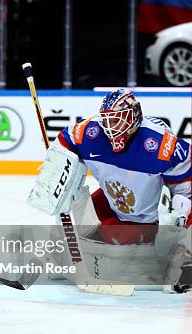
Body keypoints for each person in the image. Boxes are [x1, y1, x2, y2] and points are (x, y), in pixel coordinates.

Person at [28, 89, 191, 292]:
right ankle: (59, 256)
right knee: (72, 207)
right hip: (113, 199)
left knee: (109, 240)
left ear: (133, 118)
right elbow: (65, 139)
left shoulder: (159, 145)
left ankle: (183, 265)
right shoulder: (91, 133)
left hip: (145, 217)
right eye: (106, 121)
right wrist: (58, 162)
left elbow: (185, 184)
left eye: (116, 121)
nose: (110, 128)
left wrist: (178, 223)